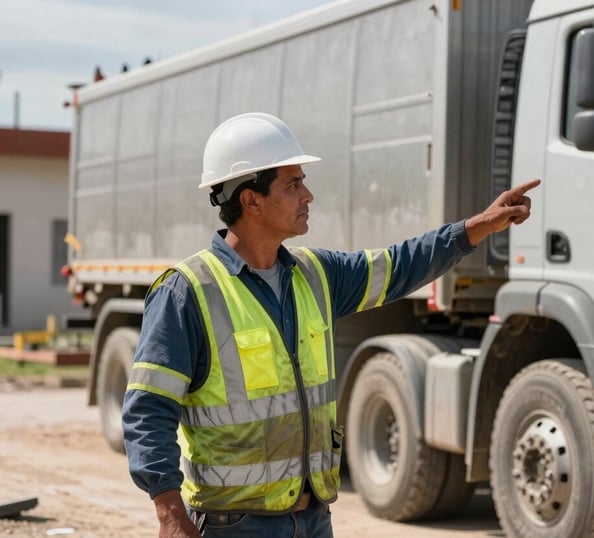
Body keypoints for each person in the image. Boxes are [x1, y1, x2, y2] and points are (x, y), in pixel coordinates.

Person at [122, 112, 540, 538]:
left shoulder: (317, 274)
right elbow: (148, 410)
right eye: (292, 184)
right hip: (235, 527)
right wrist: (170, 514)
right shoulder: (186, 292)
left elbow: (401, 265)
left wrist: (476, 228)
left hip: (313, 519)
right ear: (251, 200)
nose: (308, 195)